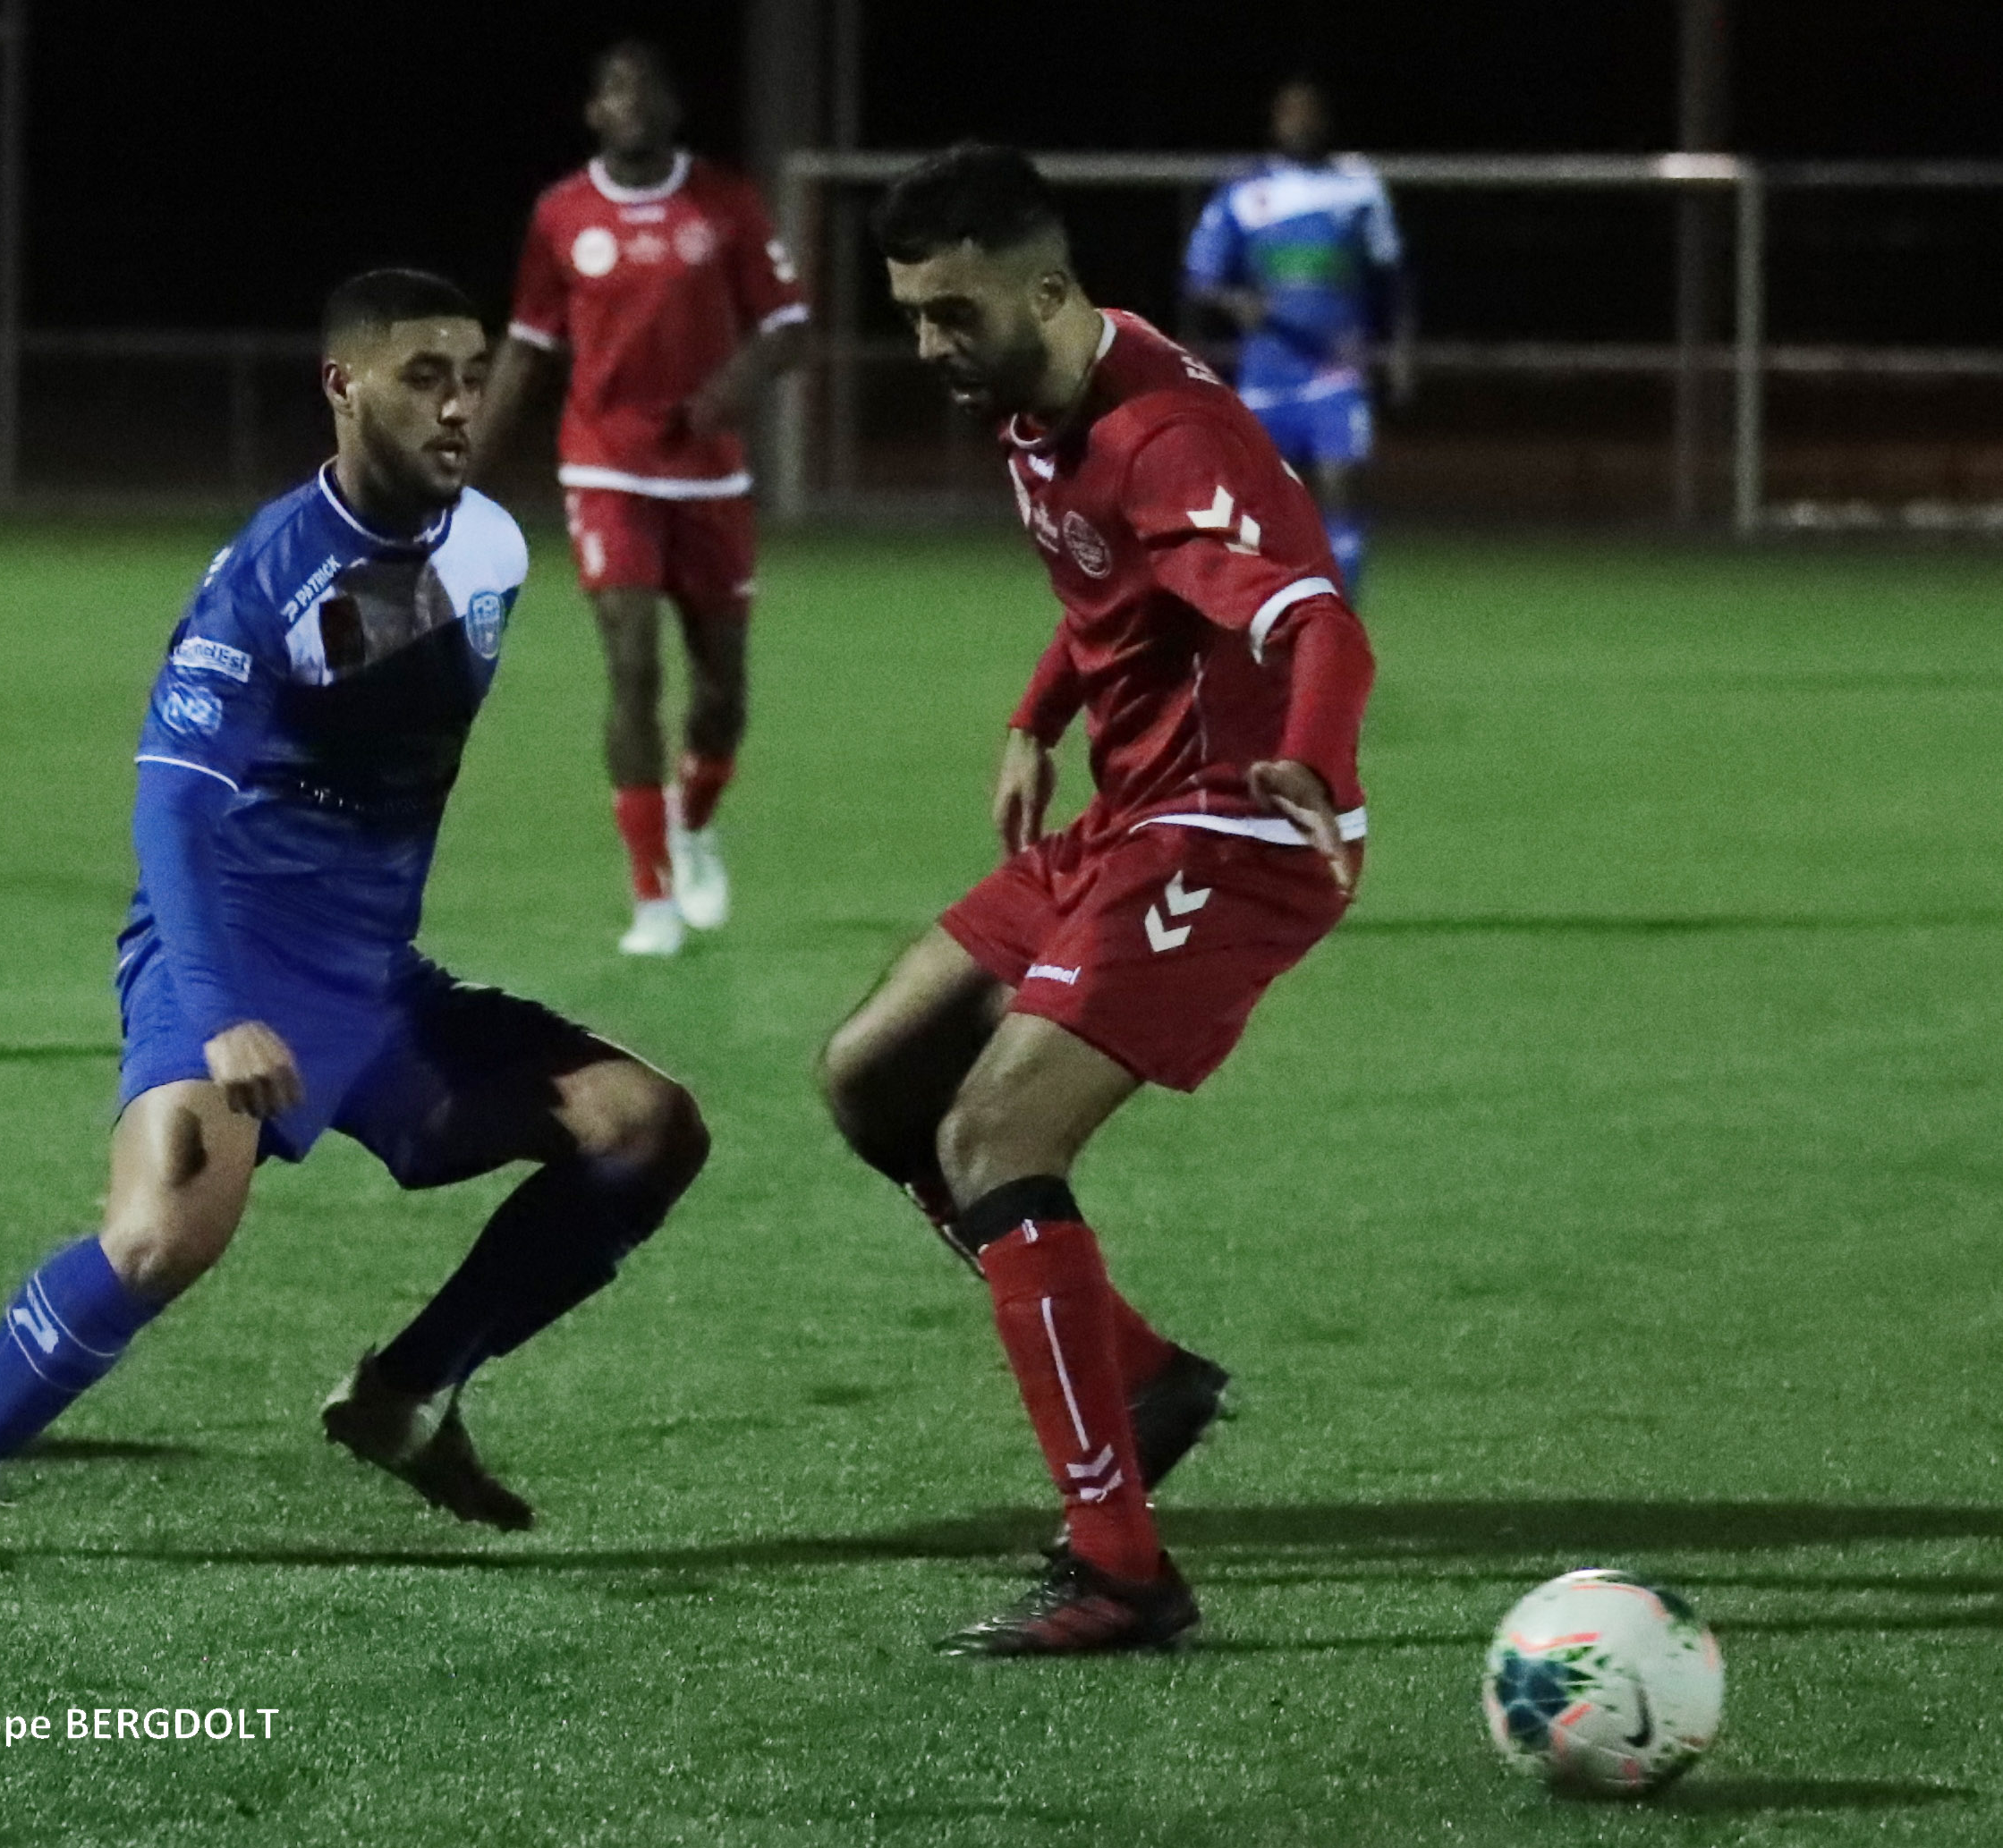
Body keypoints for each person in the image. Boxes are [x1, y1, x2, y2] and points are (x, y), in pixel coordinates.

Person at [0, 269, 709, 1579]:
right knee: (161, 1229)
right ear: (343, 386)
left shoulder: (491, 546)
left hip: (372, 984)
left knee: (643, 1125)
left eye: (472, 377)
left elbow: (376, 663)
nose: (459, 405)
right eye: (423, 378)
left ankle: (404, 1391)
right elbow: (173, 808)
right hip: (228, 950)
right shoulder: (264, 581)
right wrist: (219, 1012)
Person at [822, 148, 1375, 1655]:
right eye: (911, 314)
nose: (928, 345)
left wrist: (1312, 762)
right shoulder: (1038, 396)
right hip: (1125, 818)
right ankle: (1138, 1374)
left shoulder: (1165, 437)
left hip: (1233, 829)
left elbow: (1319, 622)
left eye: (953, 313)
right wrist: (1035, 717)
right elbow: (1106, 592)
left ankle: (1120, 1568)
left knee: (994, 1134)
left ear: (1048, 290)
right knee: (872, 1077)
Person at [473, 39, 810, 957]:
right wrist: (465, 468)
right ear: (594, 113)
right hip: (604, 467)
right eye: (615, 91)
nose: (631, 104)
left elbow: (788, 327)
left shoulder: (725, 203)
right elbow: (526, 345)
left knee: (721, 691)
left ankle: (693, 824)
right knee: (632, 666)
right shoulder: (561, 214)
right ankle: (651, 895)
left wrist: (729, 388)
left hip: (708, 474)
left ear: (672, 107)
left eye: (647, 89)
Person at [1182, 79, 1412, 596]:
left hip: (1336, 366)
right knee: (1256, 502)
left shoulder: (1358, 184)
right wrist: (1237, 302)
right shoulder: (1245, 190)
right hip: (1268, 371)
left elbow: (1393, 275)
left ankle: (1340, 615)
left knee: (1341, 488)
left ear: (1325, 120)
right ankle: (1263, 612)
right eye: (1291, 113)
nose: (1300, 123)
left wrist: (1399, 351)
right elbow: (1200, 278)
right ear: (1274, 122)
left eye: (1309, 113)